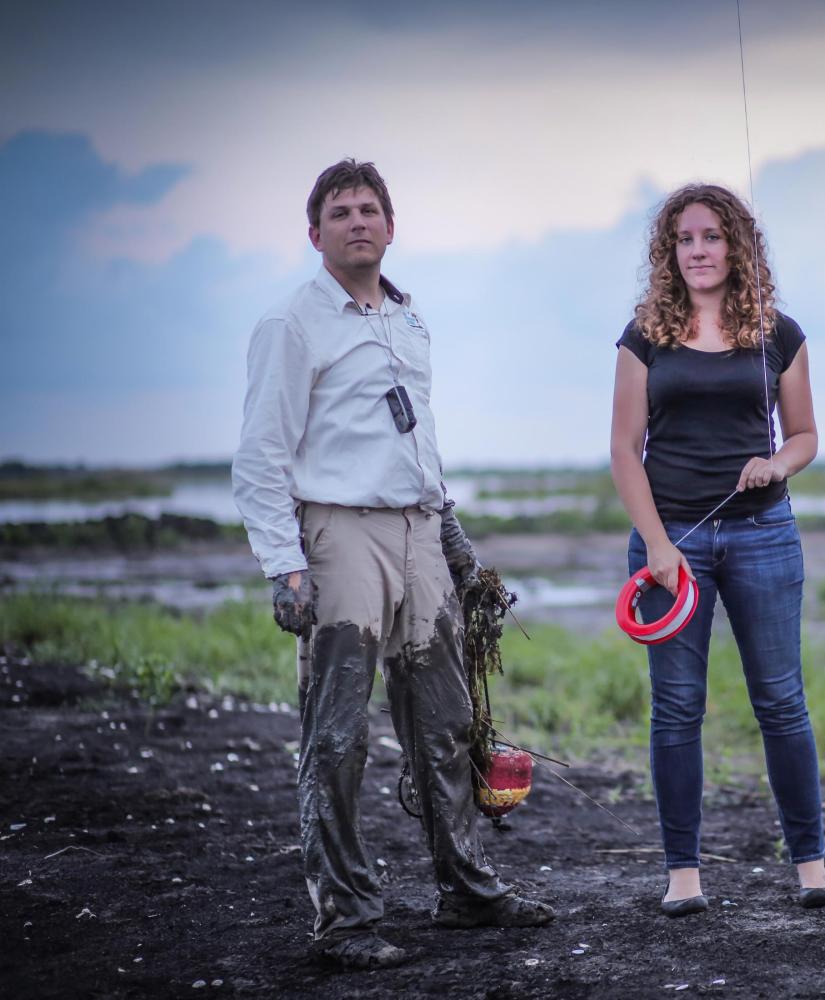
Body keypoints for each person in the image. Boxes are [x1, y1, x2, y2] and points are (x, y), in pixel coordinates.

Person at [231, 159, 555, 969]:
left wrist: (451, 530)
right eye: (340, 212)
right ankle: (344, 919)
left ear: (391, 225)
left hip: (419, 535)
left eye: (370, 209)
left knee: (445, 723)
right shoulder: (293, 324)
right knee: (337, 734)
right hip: (341, 536)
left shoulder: (408, 321)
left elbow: (419, 438)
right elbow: (260, 455)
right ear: (315, 234)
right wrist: (284, 564)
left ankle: (467, 890)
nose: (357, 221)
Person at [609, 183, 825, 916]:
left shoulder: (778, 331)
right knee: (677, 708)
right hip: (671, 544)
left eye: (712, 236)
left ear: (737, 245)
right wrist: (656, 544)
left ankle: (811, 866)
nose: (699, 250)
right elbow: (623, 447)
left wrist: (778, 465)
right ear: (669, 252)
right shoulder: (645, 333)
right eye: (685, 239)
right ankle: (683, 877)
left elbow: (803, 436)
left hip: (764, 535)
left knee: (781, 702)